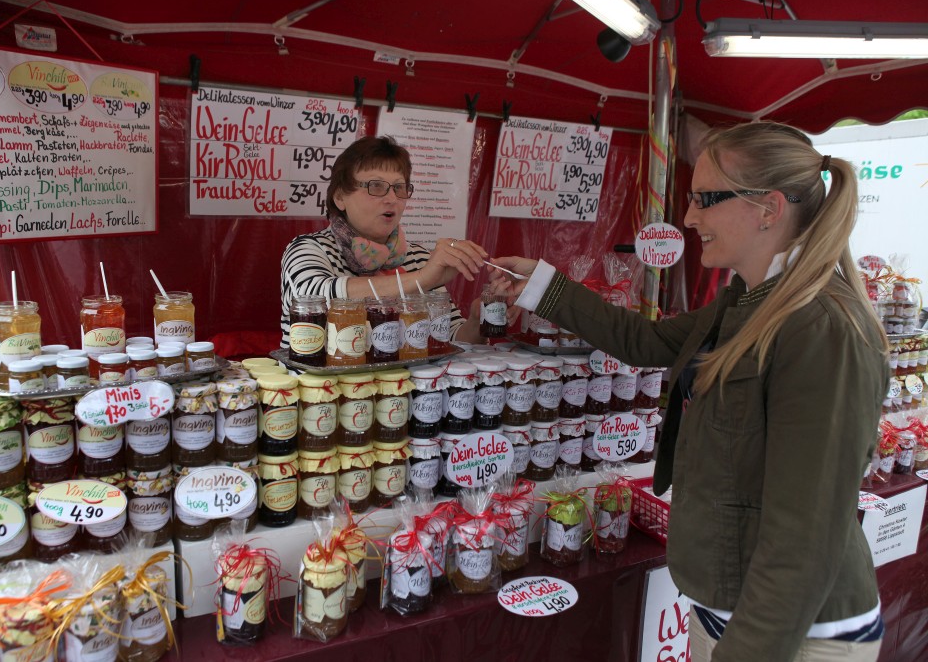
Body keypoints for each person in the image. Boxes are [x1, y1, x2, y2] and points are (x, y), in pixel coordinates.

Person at [490, 122, 888, 662]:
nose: (689, 218)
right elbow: (646, 340)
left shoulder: (821, 329)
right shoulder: (748, 300)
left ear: (768, 209)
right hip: (727, 612)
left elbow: (805, 535)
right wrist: (540, 285)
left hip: (793, 636)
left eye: (705, 199)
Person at [280, 135, 489, 347]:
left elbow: (446, 339)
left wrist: (477, 320)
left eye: (399, 188)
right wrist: (422, 279)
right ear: (340, 197)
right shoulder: (308, 248)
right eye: (376, 186)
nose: (391, 199)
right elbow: (312, 298)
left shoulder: (418, 258)